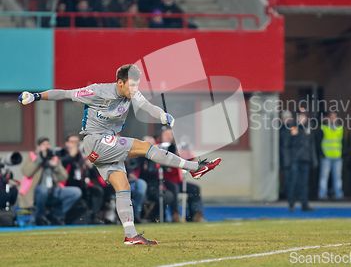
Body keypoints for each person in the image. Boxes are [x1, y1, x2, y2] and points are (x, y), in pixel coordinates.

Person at [18, 64, 221, 245]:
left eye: (137, 85)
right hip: (95, 141)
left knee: (123, 187)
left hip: (107, 145)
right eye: (131, 85)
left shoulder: (132, 93)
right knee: (144, 147)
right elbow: (64, 93)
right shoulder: (97, 91)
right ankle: (195, 168)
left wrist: (162, 115)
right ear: (120, 82)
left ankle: (131, 235)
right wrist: (35, 96)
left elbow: (146, 106)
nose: (135, 90)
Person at [20, 138, 82, 225]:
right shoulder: (33, 156)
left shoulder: (53, 158)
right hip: (36, 192)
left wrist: (56, 166)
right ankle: (39, 216)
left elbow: (64, 177)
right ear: (38, 147)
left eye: (48, 144)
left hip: (52, 190)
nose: (47, 147)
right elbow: (26, 172)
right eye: (44, 145)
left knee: (75, 192)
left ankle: (56, 215)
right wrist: (40, 159)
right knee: (43, 190)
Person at [287, 111, 315, 212]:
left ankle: (305, 204)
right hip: (295, 158)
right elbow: (290, 142)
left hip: (306, 158)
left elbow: (311, 144)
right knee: (294, 182)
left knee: (304, 183)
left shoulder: (309, 128)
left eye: (303, 116)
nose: (302, 118)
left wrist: (313, 159)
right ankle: (291, 204)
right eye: (300, 116)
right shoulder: (294, 127)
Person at [318, 112, 344, 201]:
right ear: (328, 118)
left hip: (337, 156)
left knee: (337, 177)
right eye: (331, 117)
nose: (333, 119)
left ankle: (338, 195)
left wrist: (343, 153)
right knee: (324, 177)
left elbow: (344, 142)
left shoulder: (340, 128)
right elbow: (318, 140)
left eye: (334, 117)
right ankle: (322, 195)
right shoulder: (323, 128)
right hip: (326, 156)